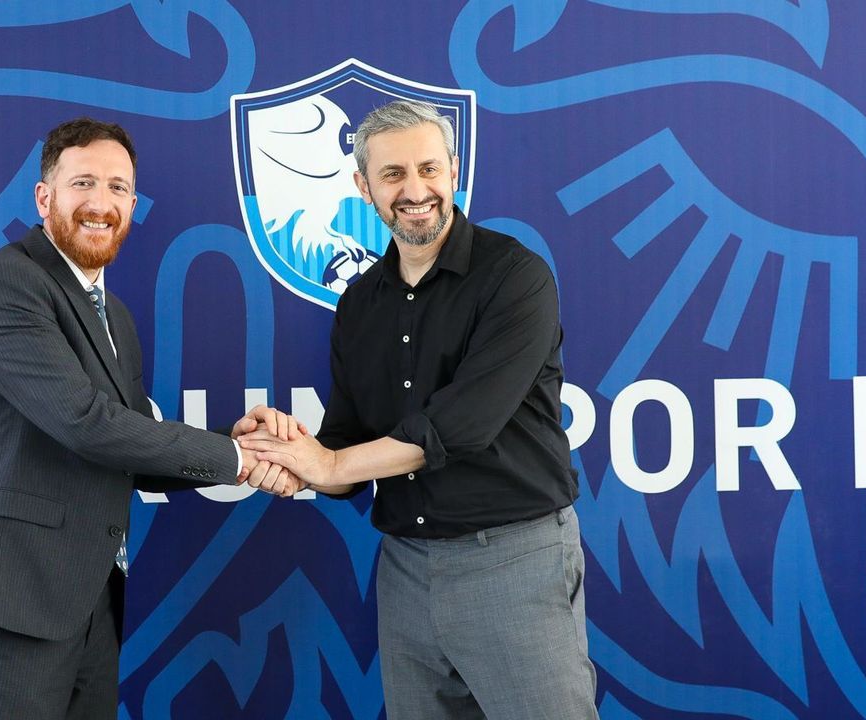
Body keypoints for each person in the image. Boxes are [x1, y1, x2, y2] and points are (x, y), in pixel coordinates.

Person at [0, 117, 300, 720]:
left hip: (88, 599)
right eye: (83, 183)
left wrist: (229, 440)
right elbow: (86, 423)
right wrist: (240, 460)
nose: (101, 204)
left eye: (118, 188)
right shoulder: (10, 283)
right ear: (44, 197)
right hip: (11, 598)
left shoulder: (114, 315)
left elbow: (131, 449)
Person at [239, 100, 599, 719]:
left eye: (428, 169)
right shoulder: (359, 303)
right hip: (405, 568)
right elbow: (344, 446)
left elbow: (463, 426)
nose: (414, 190)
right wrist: (292, 454)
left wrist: (328, 464)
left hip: (513, 558)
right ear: (363, 187)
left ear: (454, 171)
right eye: (393, 174)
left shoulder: (515, 276)